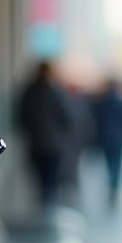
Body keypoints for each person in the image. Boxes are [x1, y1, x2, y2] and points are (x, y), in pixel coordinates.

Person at [17, 61, 77, 209]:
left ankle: (44, 204)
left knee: (41, 179)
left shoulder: (29, 92)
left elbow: (22, 118)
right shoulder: (56, 93)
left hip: (36, 144)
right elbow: (68, 118)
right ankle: (48, 206)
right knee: (51, 179)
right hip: (54, 145)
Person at [90, 77, 122, 209]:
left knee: (109, 161)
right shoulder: (121, 102)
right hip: (118, 138)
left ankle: (112, 183)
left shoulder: (100, 103)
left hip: (105, 137)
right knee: (117, 161)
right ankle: (114, 184)